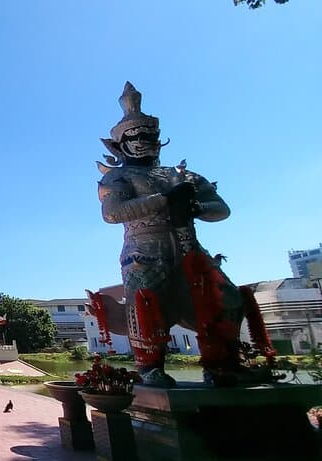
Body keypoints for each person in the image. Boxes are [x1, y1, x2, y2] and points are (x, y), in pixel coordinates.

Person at [96, 83, 268, 387]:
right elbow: (112, 213)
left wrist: (194, 203)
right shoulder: (118, 176)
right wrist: (164, 200)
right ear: (120, 145)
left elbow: (221, 209)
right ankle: (149, 367)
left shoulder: (180, 174)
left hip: (189, 246)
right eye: (136, 137)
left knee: (224, 299)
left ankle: (223, 363)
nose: (145, 141)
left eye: (150, 136)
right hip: (144, 250)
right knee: (146, 303)